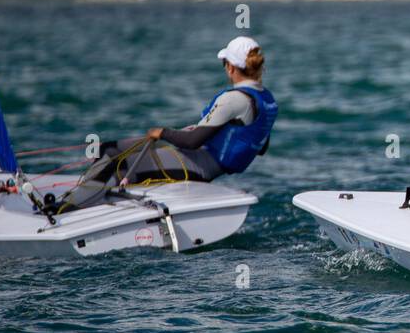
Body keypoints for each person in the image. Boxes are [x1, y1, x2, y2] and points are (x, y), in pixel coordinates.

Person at [58, 37, 277, 211]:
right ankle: (86, 195)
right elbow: (259, 146)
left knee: (114, 161)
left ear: (230, 67)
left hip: (199, 165)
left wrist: (162, 132)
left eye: (224, 63)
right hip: (207, 162)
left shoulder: (233, 99)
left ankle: (65, 208)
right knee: (110, 148)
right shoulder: (266, 100)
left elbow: (191, 142)